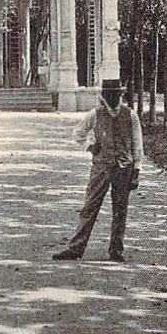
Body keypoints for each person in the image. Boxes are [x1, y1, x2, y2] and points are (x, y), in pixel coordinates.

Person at [53, 79, 143, 263]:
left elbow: (137, 144)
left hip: (123, 167)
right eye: (108, 94)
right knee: (90, 206)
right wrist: (89, 146)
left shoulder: (131, 115)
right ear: (103, 96)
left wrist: (136, 170)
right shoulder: (95, 114)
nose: (111, 98)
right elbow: (78, 133)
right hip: (101, 167)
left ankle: (116, 250)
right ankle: (76, 248)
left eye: (115, 94)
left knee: (120, 210)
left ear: (120, 95)